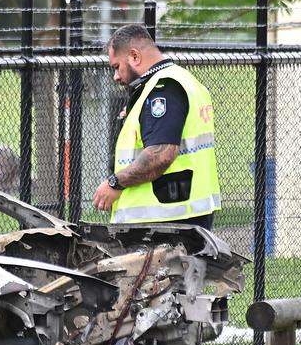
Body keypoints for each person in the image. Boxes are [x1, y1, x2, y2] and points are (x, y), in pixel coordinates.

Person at [92, 24, 221, 230]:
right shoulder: (182, 81)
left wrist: (115, 182)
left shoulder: (163, 89)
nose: (116, 76)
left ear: (134, 56)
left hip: (165, 222)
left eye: (117, 67)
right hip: (180, 216)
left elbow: (161, 155)